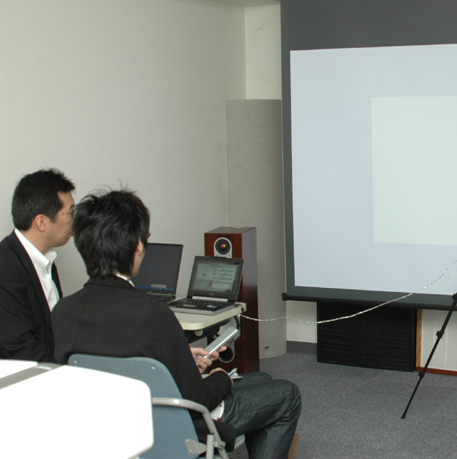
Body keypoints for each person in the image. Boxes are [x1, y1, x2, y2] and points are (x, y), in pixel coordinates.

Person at [52, 189, 301, 459]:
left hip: (108, 426)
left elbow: (122, 360)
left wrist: (181, 357)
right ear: (138, 246)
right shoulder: (153, 314)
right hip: (173, 425)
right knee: (287, 395)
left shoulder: (63, 311)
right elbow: (197, 398)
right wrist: (220, 378)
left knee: (262, 379)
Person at [0, 169, 75, 362]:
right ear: (41, 222)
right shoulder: (5, 268)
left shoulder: (45, 259)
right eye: (70, 213)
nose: (74, 220)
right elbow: (21, 351)